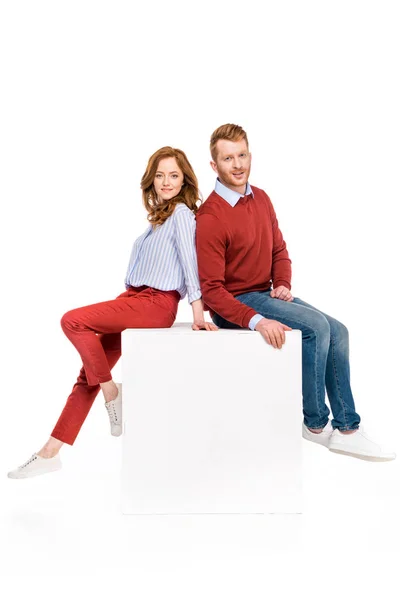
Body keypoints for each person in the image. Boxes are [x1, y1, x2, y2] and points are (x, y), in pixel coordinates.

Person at [8, 147, 217, 479]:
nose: (166, 182)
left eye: (174, 175)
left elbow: (191, 266)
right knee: (89, 374)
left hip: (155, 305)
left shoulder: (181, 214)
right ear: (152, 179)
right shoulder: (157, 220)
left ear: (185, 179)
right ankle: (50, 452)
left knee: (73, 320)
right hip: (135, 300)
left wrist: (197, 312)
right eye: (160, 175)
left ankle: (112, 392)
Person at [195, 123, 395, 462]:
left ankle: (347, 429)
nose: (238, 164)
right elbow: (212, 291)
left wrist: (283, 283)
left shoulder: (261, 198)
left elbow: (279, 250)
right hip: (235, 304)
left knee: (339, 330)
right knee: (316, 329)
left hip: (266, 292)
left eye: (242, 155)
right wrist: (257, 320)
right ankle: (315, 424)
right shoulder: (211, 216)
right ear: (214, 166)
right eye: (228, 158)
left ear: (250, 155)